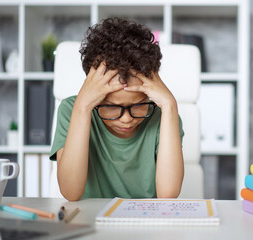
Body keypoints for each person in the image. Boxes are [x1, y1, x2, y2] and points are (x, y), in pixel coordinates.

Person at [49, 18, 184, 201]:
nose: (127, 119)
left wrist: (170, 105)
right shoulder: (73, 110)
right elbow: (70, 192)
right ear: (94, 97)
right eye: (112, 107)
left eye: (138, 104)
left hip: (144, 223)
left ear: (149, 95)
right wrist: (82, 106)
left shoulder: (164, 116)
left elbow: (168, 195)